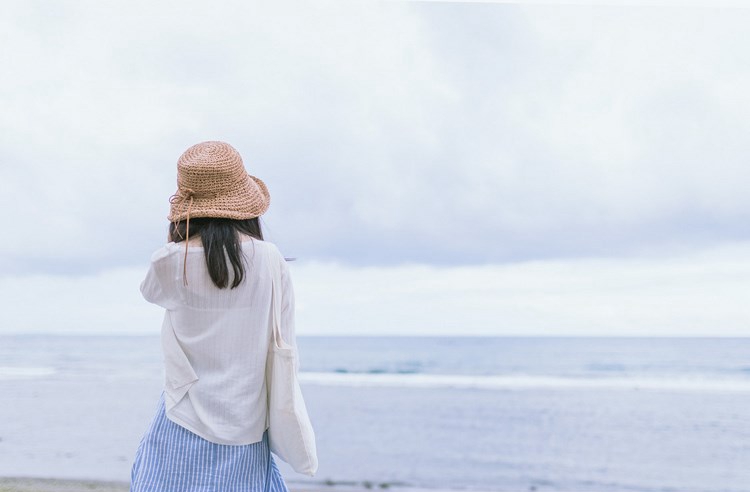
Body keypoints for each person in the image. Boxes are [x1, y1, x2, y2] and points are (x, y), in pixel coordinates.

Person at [130, 141, 305, 492]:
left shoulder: (169, 261)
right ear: (245, 204)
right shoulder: (271, 260)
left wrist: (180, 240)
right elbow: (283, 338)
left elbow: (150, 294)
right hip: (246, 421)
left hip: (183, 414)